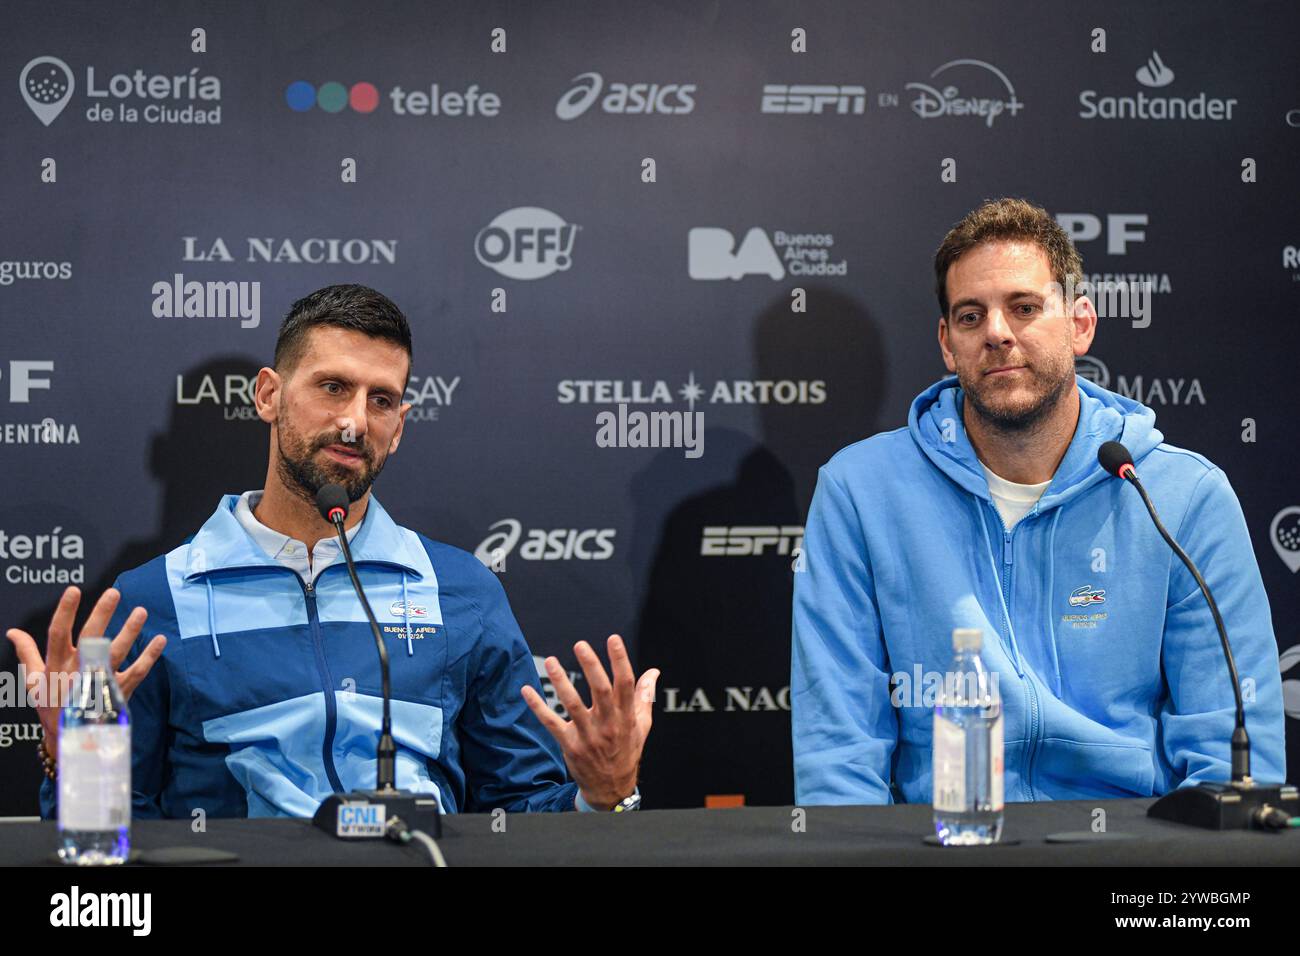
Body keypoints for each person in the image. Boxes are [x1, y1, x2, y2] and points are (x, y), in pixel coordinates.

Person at [9, 284, 657, 818]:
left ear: (399, 428)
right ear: (269, 395)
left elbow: (522, 810)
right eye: (331, 387)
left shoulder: (461, 591)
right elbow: (107, 848)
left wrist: (603, 795)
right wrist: (73, 761)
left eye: (382, 400)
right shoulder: (151, 600)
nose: (354, 420)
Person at [791, 197, 1286, 805]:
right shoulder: (859, 491)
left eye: (1024, 308)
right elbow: (838, 753)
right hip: (945, 842)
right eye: (971, 317)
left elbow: (1234, 765)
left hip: (1129, 855)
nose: (997, 332)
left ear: (1080, 324)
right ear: (948, 345)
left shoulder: (1183, 497)